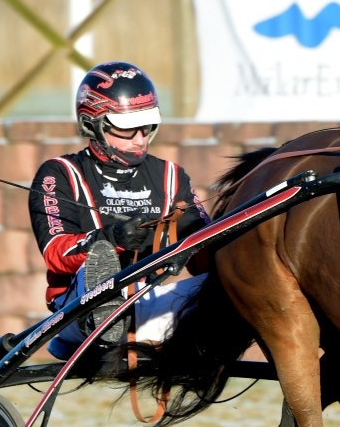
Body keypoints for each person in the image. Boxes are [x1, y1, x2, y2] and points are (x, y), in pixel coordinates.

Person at [27, 61, 209, 361]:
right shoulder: (59, 174)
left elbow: (205, 258)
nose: (140, 138)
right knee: (100, 265)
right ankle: (107, 317)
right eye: (127, 128)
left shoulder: (171, 176)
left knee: (232, 279)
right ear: (91, 124)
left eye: (147, 126)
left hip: (152, 307)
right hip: (76, 310)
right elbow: (55, 254)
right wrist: (114, 238)